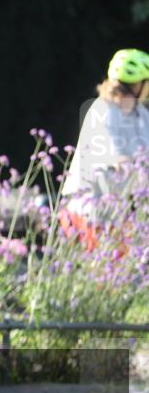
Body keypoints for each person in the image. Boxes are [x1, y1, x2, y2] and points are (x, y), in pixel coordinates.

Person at [59, 48, 149, 248]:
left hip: (118, 216)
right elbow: (120, 161)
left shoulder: (140, 114)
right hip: (88, 213)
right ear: (138, 85)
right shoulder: (102, 111)